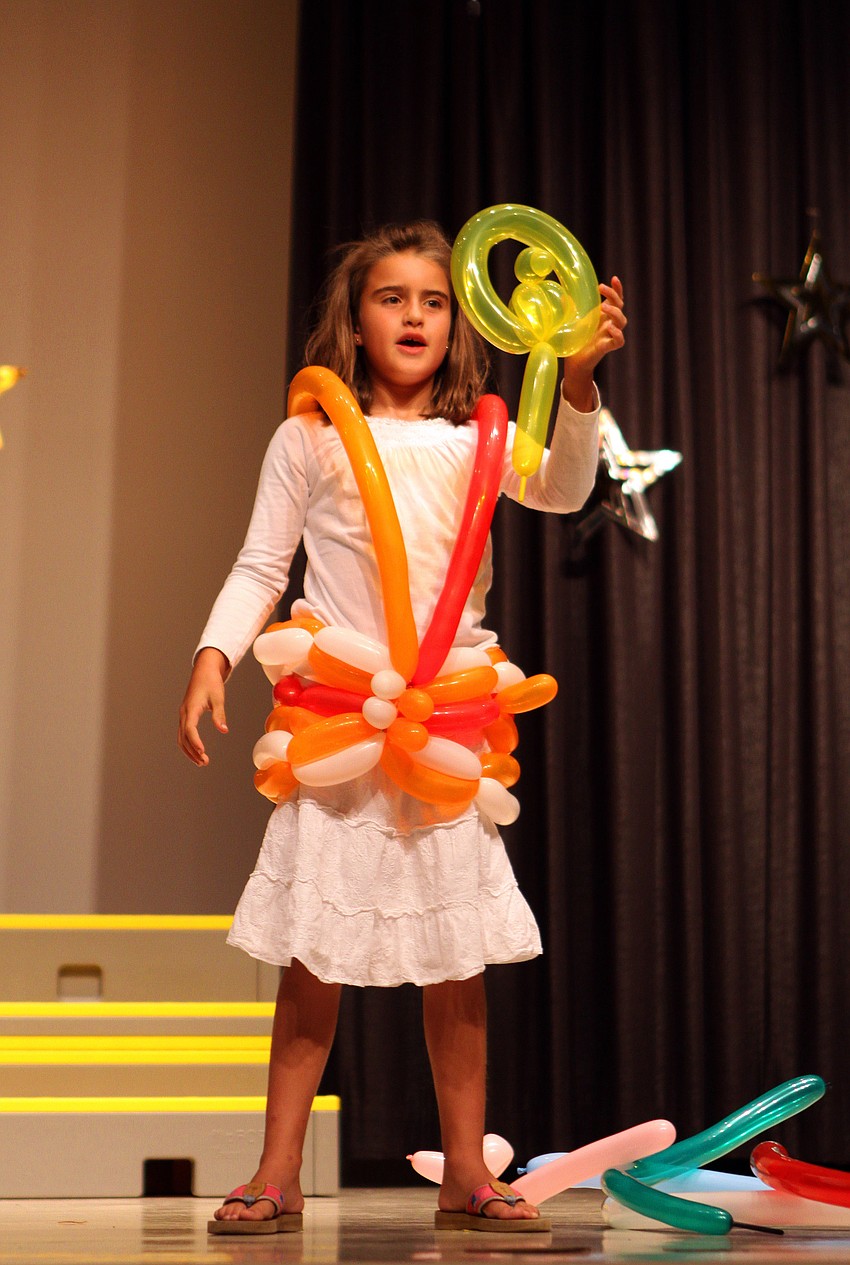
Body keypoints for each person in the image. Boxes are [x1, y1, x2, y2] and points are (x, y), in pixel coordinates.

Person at [178, 220, 626, 1234]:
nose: (413, 313)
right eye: (391, 296)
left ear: (459, 317)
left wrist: (582, 384)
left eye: (431, 298)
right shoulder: (311, 435)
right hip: (342, 720)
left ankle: (467, 1167)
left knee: (454, 955)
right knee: (311, 955)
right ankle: (277, 1166)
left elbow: (560, 488)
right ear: (357, 316)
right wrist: (213, 653)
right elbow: (262, 563)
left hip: (442, 726)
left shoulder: (484, 437)